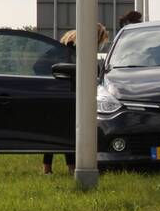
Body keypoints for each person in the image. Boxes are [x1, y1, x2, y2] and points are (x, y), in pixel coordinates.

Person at [43, 23, 110, 174]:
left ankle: (49, 168)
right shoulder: (75, 52)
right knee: (69, 131)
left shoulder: (60, 49)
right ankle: (70, 167)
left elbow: (39, 66)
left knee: (56, 130)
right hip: (70, 94)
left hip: (56, 93)